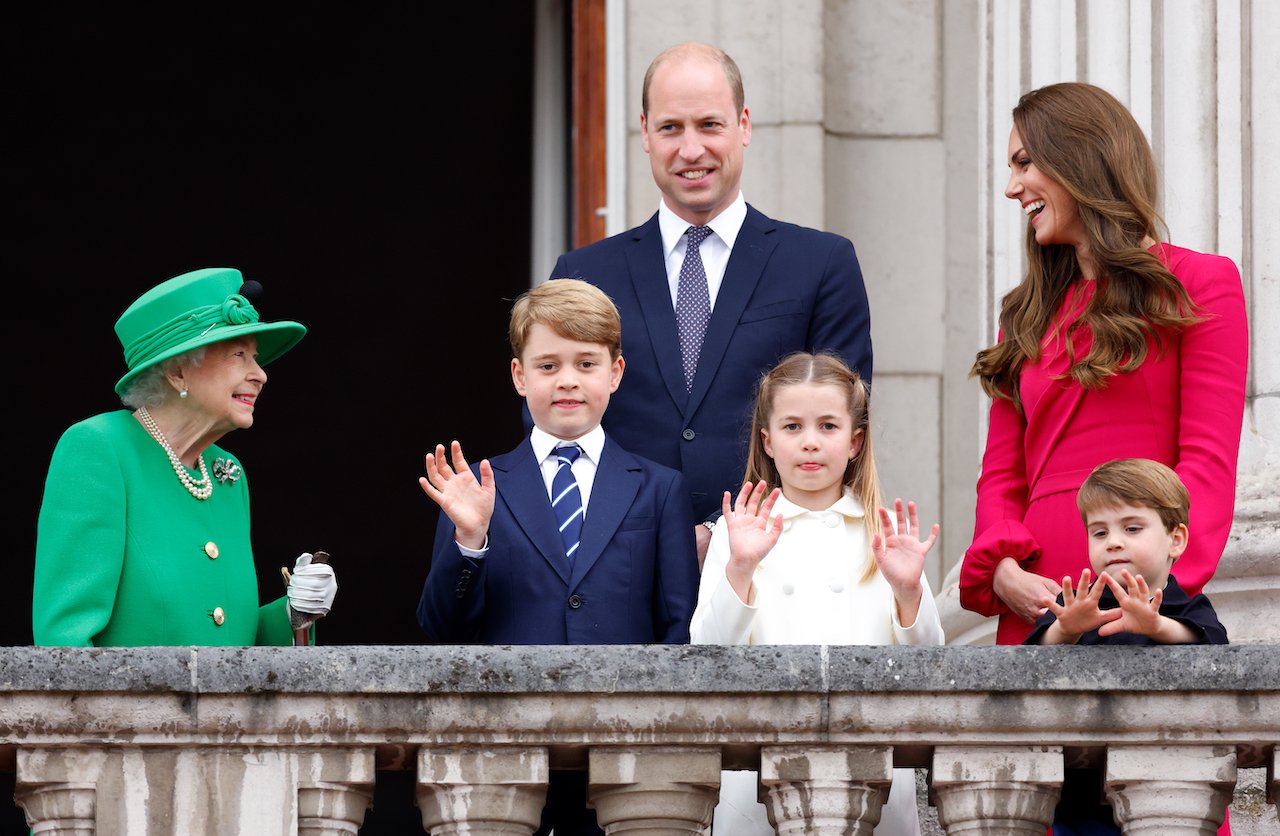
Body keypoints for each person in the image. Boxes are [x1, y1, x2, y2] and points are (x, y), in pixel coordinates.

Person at [549, 42, 873, 566]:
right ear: (645, 134)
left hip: (781, 562)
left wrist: (725, 533)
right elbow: (555, 427)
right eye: (671, 128)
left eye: (709, 125)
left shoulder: (821, 264)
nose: (691, 149)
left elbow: (843, 419)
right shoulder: (584, 274)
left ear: (743, 125)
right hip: (622, 567)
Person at [959, 81, 1248, 647]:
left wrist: (1157, 593)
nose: (1011, 187)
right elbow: (1001, 475)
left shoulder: (1200, 283)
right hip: (1043, 605)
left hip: (1143, 601)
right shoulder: (1024, 316)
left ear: (1078, 158)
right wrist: (1002, 571)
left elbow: (1208, 463)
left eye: (1025, 163)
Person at [416, 278, 699, 836]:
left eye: (586, 364)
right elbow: (438, 628)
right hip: (505, 748)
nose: (567, 380)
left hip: (625, 752)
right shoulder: (476, 486)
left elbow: (678, 630)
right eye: (548, 366)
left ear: (615, 374)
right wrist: (470, 540)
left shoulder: (660, 488)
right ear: (520, 376)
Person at [690, 352, 942, 836]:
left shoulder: (883, 532)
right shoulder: (737, 532)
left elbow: (930, 661)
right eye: (792, 427)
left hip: (872, 772)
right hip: (758, 775)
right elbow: (706, 653)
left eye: (828, 426)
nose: (810, 442)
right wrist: (741, 566)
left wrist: (908, 591)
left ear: (855, 440)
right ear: (767, 439)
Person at [34, 267, 337, 647]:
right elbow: (65, 641)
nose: (260, 374)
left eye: (256, 357)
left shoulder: (228, 475)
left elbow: (230, 644)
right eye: (239, 354)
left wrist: (293, 616)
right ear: (179, 372)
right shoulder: (98, 450)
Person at [1025, 458, 1227, 835]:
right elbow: (1026, 663)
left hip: (1169, 786)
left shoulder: (1184, 607)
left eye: (1132, 528)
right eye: (1098, 533)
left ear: (1176, 539)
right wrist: (1065, 629)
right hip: (1080, 793)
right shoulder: (1082, 607)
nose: (1113, 541)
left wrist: (1157, 625)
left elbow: (1215, 651)